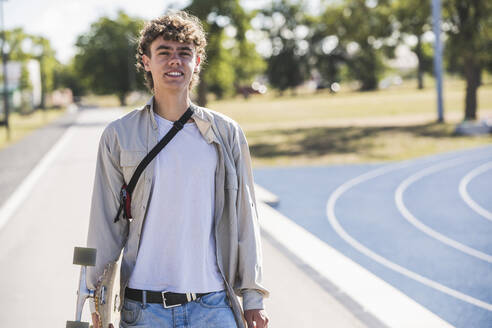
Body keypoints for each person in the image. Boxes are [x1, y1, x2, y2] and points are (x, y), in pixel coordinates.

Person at [86, 10, 269, 328]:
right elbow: (104, 225)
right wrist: (96, 301)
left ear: (197, 62)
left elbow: (244, 219)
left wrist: (253, 298)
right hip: (143, 309)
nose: (175, 61)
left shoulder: (226, 133)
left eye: (185, 53)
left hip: (213, 305)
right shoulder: (119, 134)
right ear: (146, 61)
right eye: (164, 52)